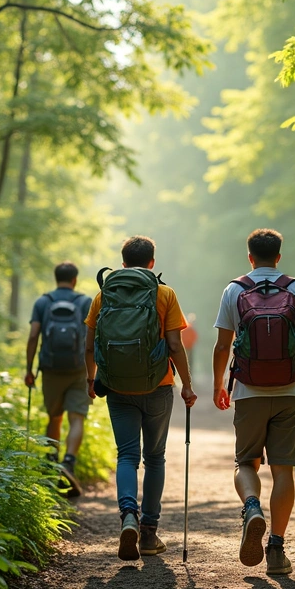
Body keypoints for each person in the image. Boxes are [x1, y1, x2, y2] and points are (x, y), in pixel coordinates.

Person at [212, 228, 295, 576]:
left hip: (248, 391)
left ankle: (252, 507)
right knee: (283, 470)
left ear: (250, 257)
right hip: (291, 391)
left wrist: (221, 384)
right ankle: (276, 550)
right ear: (279, 256)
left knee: (245, 463)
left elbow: (222, 346)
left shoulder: (233, 290)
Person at [85, 235, 198, 561]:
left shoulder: (103, 294)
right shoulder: (164, 294)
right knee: (155, 458)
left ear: (122, 263)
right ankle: (148, 534)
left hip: (118, 388)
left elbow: (89, 344)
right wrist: (187, 385)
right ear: (152, 263)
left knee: (127, 456)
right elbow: (175, 346)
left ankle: (128, 517)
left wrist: (90, 379)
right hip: (159, 387)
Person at [25, 262, 93, 497]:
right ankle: (69, 463)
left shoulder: (43, 302)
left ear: (56, 279)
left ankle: (50, 462)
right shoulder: (85, 303)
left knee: (54, 416)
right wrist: (93, 372)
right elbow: (94, 337)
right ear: (74, 280)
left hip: (51, 369)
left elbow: (34, 335)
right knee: (77, 418)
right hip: (78, 369)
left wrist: (29, 369)